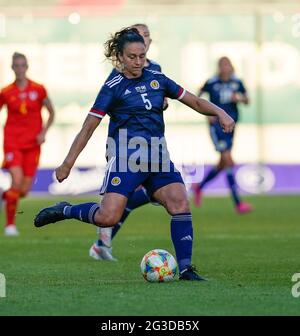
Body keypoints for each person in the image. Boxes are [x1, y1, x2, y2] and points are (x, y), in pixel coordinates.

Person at [34, 27, 235, 281]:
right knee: (108, 217)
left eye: (141, 56)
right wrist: (67, 164)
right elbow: (88, 127)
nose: (138, 61)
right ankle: (64, 210)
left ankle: (185, 269)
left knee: (180, 202)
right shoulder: (112, 87)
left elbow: (194, 101)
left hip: (158, 157)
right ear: (120, 56)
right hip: (125, 158)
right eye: (132, 57)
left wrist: (220, 112)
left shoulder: (157, 78)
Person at [89, 23, 167, 262]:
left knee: (150, 194)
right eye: (141, 36)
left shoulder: (156, 70)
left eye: (147, 36)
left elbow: (160, 99)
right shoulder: (120, 71)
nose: (145, 40)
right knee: (128, 195)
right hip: (122, 144)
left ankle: (103, 239)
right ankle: (102, 235)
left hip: (151, 144)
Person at [0, 52, 55, 236]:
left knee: (22, 190)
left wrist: (43, 132)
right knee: (16, 181)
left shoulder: (39, 89)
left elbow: (51, 112)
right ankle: (9, 226)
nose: (20, 69)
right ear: (12, 68)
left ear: (27, 67)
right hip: (12, 143)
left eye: (23, 65)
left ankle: (4, 198)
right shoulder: (6, 92)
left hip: (33, 145)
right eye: (16, 65)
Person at [192, 56, 252, 214]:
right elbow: (197, 97)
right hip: (217, 127)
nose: (225, 68)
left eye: (227, 65)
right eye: (222, 65)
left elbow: (247, 100)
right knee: (228, 160)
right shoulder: (212, 82)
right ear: (218, 67)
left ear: (231, 67)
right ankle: (238, 203)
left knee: (222, 164)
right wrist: (207, 114)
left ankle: (199, 186)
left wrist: (238, 98)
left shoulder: (236, 82)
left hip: (231, 126)